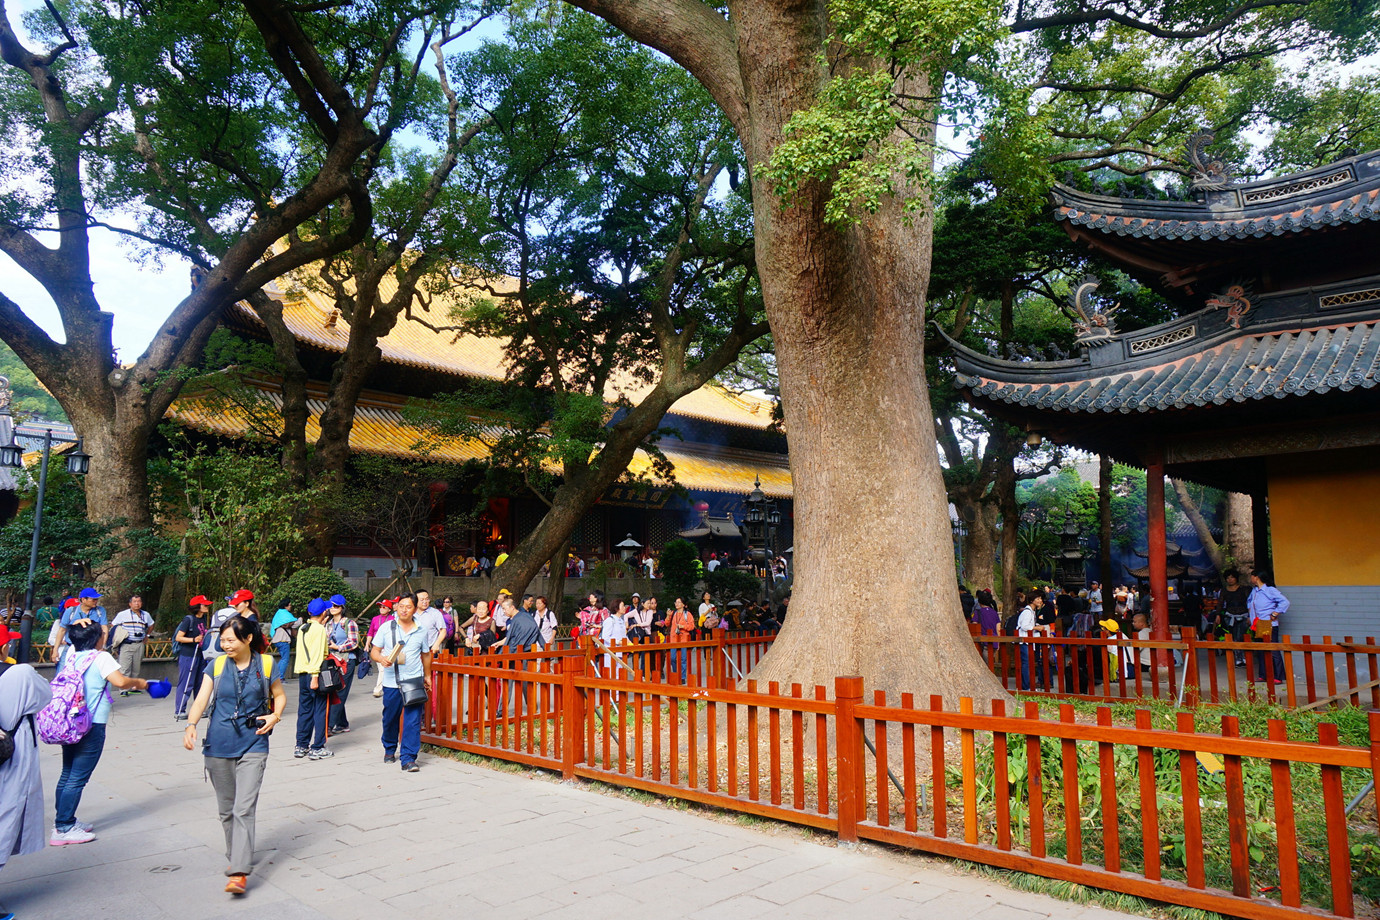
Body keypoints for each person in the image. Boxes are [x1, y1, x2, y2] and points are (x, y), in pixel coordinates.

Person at [181, 615, 286, 896]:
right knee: (226, 810)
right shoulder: (215, 665)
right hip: (218, 743)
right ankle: (236, 854)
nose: (224, 645)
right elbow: (201, 699)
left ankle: (239, 871)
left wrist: (275, 716)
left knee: (243, 808)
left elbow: (280, 695)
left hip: (254, 742)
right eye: (222, 640)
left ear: (248, 638)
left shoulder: (265, 664)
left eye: (230, 640)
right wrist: (191, 725)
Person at [50, 619, 150, 845]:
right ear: (97, 639)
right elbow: (121, 681)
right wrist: (142, 683)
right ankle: (63, 827)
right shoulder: (101, 657)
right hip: (91, 723)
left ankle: (63, 819)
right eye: (102, 633)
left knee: (67, 773)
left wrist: (77, 628)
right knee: (77, 778)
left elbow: (74, 638)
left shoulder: (71, 653)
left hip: (70, 721)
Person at [0, 649, 52, 871]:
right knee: (7, 814)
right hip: (13, 752)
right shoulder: (20, 674)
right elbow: (44, 696)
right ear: (4, 648)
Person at [371, 594, 432, 772]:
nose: (404, 609)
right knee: (390, 718)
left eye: (409, 606)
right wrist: (382, 659)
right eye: (401, 606)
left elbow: (426, 654)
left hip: (413, 680)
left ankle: (409, 758)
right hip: (392, 681)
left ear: (415, 609)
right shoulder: (386, 627)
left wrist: (427, 675)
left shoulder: (421, 629)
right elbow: (375, 651)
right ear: (396, 607)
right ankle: (389, 748)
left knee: (413, 721)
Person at [293, 598, 331, 760]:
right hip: (315, 674)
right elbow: (317, 654)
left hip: (302, 673)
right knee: (320, 710)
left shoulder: (303, 627)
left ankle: (301, 745)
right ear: (323, 612)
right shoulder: (320, 629)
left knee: (304, 710)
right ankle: (317, 747)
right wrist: (315, 676)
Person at [174, 595, 213, 719]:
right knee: (186, 682)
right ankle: (180, 710)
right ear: (197, 607)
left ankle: (199, 709)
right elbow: (178, 637)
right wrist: (193, 639)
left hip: (200, 655)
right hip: (188, 655)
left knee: (199, 683)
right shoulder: (188, 620)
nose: (207, 607)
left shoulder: (204, 619)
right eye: (204, 605)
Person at [1248, 569, 1289, 684]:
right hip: (1258, 623)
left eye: (1252, 576)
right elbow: (1250, 603)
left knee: (1273, 649)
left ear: (1256, 577)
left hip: (1267, 623)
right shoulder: (1255, 591)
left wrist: (1275, 613)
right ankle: (1263, 674)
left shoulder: (1270, 590)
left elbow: (1285, 602)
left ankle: (1278, 676)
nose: (1250, 579)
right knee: (1261, 650)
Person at [325, 595, 358, 735]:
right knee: (334, 690)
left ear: (342, 608)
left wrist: (338, 647)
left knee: (341, 692)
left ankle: (329, 725)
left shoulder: (349, 623)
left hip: (346, 661)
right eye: (331, 606)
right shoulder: (328, 623)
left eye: (336, 606)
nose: (332, 608)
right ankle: (342, 723)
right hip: (332, 661)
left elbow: (354, 642)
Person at [109, 595, 155, 693]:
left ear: (141, 603)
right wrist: (120, 635)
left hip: (139, 643)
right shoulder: (123, 614)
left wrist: (147, 635)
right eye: (134, 601)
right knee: (125, 667)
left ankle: (133, 687)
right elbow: (113, 625)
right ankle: (124, 689)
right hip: (127, 643)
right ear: (130, 604)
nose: (137, 603)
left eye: (139, 601)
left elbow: (151, 625)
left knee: (136, 668)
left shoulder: (145, 614)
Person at [50, 588, 106, 667]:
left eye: (96, 599)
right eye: (93, 599)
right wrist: (55, 650)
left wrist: (102, 646)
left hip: (92, 648)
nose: (96, 601)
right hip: (72, 647)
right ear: (83, 599)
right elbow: (62, 630)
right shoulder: (71, 611)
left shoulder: (100, 611)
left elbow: (104, 629)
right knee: (62, 672)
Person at [1218, 571, 1251, 666]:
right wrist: (1218, 615)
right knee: (1234, 637)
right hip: (1230, 615)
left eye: (1232, 577)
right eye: (1228, 578)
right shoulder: (1224, 590)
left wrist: (1250, 615)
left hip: (1243, 614)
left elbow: (1249, 602)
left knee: (1241, 636)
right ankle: (1238, 658)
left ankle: (1243, 656)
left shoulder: (1243, 589)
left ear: (1236, 578)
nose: (1230, 580)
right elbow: (1220, 603)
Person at [1017, 593, 1046, 691]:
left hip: (1028, 641)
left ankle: (1027, 685)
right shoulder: (1027, 612)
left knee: (1028, 663)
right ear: (1031, 600)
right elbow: (1024, 626)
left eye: (1040, 598)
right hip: (1024, 641)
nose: (1040, 600)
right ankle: (1026, 686)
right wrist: (1036, 627)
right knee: (1026, 663)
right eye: (1037, 598)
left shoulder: (1032, 612)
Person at [368, 598, 396, 697]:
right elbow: (370, 632)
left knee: (383, 669)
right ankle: (384, 686)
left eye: (384, 607)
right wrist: (367, 644)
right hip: (377, 647)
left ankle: (378, 689)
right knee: (382, 668)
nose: (381, 608)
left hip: (388, 647)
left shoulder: (393, 619)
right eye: (380, 606)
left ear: (389, 609)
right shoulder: (375, 619)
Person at [667, 596, 695, 682]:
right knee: (672, 658)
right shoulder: (673, 613)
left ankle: (682, 677)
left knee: (683, 659)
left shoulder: (687, 614)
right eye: (676, 602)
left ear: (683, 604)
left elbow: (692, 626)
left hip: (683, 638)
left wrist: (683, 626)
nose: (677, 604)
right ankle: (675, 673)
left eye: (679, 602)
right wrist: (668, 616)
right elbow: (667, 624)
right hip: (673, 638)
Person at [268, 600, 297, 683]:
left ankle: (275, 676)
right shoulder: (285, 614)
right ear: (286, 606)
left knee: (283, 659)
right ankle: (280, 677)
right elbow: (293, 623)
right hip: (283, 640)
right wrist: (299, 620)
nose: (290, 606)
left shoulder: (278, 614)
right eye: (290, 605)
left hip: (277, 640)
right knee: (285, 659)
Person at [414, 590, 447, 654]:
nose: (425, 602)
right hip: (413, 649)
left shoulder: (435, 613)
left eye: (427, 599)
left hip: (430, 649)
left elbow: (443, 630)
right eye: (422, 600)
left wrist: (436, 644)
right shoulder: (411, 613)